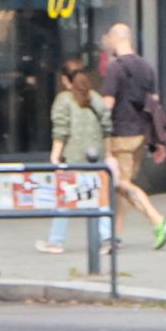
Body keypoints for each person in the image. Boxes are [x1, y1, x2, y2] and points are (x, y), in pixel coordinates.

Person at [98, 22, 166, 248]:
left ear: (115, 38)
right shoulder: (146, 67)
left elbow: (106, 105)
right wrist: (157, 140)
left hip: (119, 133)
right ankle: (115, 236)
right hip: (140, 134)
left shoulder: (115, 68)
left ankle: (157, 219)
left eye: (108, 38)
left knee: (120, 183)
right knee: (125, 184)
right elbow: (155, 104)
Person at [41, 60, 113, 255]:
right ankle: (107, 239)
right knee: (99, 199)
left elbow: (61, 130)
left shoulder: (64, 100)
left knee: (65, 199)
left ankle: (56, 241)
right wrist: (108, 154)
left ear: (65, 79)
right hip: (96, 157)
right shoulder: (95, 97)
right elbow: (107, 127)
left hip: (73, 157)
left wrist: (55, 157)